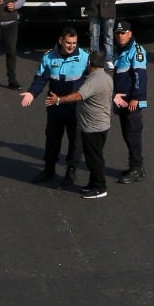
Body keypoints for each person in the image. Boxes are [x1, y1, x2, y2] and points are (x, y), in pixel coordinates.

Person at [20, 28, 92, 185]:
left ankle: (71, 171)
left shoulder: (85, 57)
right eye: (68, 43)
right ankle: (49, 169)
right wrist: (32, 93)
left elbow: (93, 81)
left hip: (75, 107)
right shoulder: (48, 57)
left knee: (75, 140)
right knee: (52, 138)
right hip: (54, 106)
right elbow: (41, 78)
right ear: (61, 41)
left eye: (74, 43)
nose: (72, 46)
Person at [52, 53, 114, 200]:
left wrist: (59, 99)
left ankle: (100, 187)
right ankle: (93, 183)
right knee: (94, 156)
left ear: (90, 64)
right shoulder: (106, 77)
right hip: (101, 125)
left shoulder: (94, 80)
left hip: (93, 127)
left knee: (94, 159)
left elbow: (79, 96)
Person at [111, 21, 148, 183]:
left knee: (133, 134)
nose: (120, 36)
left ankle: (137, 168)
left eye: (123, 33)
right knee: (127, 133)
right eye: (118, 33)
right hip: (122, 100)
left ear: (130, 33)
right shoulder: (120, 50)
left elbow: (140, 76)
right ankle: (134, 165)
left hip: (132, 101)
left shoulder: (136, 51)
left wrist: (136, 97)